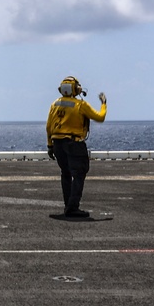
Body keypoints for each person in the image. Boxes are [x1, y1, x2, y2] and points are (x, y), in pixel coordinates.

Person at [46, 75, 107, 218]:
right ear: (76, 89)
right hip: (74, 143)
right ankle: (73, 207)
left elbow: (49, 127)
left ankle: (68, 205)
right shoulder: (80, 105)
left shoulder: (55, 104)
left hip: (57, 143)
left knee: (65, 173)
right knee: (79, 174)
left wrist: (50, 146)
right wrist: (104, 103)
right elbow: (100, 117)